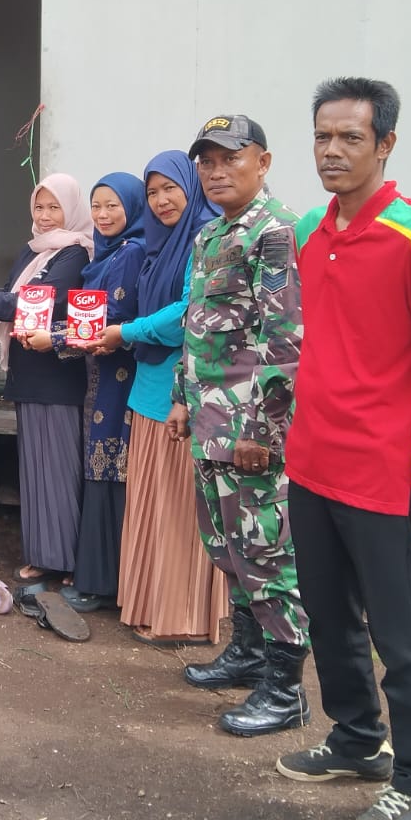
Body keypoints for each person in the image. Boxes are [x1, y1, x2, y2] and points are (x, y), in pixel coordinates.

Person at [275, 77, 411, 820]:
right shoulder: (309, 230)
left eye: (350, 138)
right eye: (322, 137)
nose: (331, 151)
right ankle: (358, 738)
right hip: (314, 464)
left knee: (400, 636)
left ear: (386, 144)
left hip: (385, 477)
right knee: (328, 617)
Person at [167, 115, 309, 737]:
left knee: (266, 552)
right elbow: (197, 326)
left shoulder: (276, 233)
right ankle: (249, 653)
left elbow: (285, 342)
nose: (216, 171)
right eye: (207, 161)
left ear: (264, 162)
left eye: (230, 158)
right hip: (210, 423)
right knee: (227, 547)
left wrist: (266, 432)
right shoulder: (211, 235)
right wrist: (181, 398)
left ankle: (285, 690)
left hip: (251, 433)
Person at [93, 151, 226, 645]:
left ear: (191, 188)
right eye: (152, 192)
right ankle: (150, 604)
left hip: (183, 394)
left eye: (170, 188)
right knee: (152, 505)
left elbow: (189, 314)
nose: (161, 200)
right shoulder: (159, 244)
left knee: (178, 512)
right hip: (148, 388)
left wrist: (126, 331)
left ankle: (182, 617)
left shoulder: (204, 237)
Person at [0, 174, 93, 582]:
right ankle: (43, 556)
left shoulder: (75, 254)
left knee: (58, 470)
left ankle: (65, 562)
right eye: (39, 207)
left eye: (54, 207)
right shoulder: (33, 251)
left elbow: (37, 304)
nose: (45, 216)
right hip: (30, 375)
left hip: (57, 378)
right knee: (35, 472)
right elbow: (10, 295)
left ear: (71, 210)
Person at [48, 172, 146, 613]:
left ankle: (108, 584)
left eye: (113, 206)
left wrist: (54, 338)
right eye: (97, 206)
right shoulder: (106, 254)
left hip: (118, 381)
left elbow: (113, 321)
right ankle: (100, 579)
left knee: (111, 471)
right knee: (101, 471)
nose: (103, 215)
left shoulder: (131, 253)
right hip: (101, 378)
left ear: (132, 208)